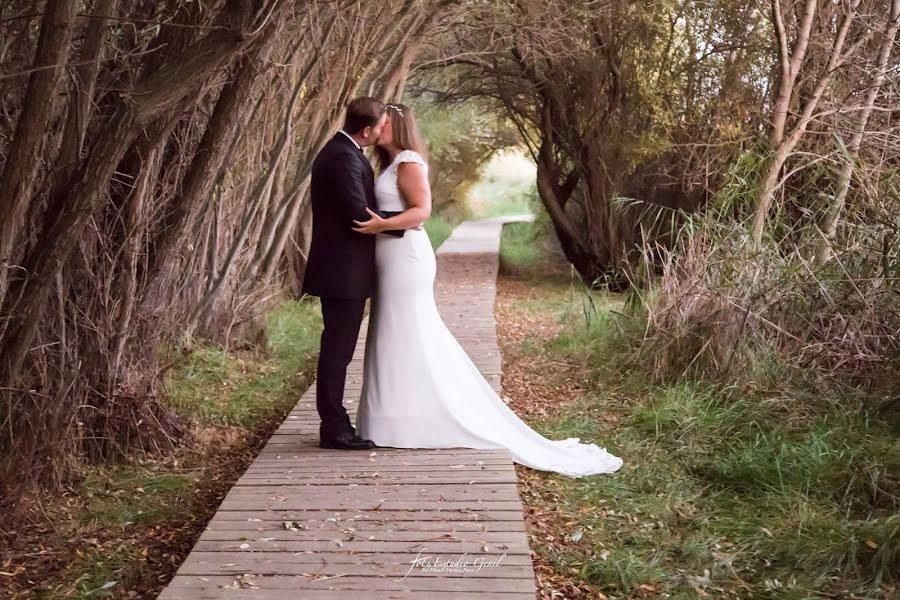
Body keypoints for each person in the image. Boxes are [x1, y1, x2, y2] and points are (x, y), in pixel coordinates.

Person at [350, 102, 623, 478]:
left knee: (403, 329)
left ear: (397, 125)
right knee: (393, 331)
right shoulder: (389, 162)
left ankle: (401, 419)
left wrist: (381, 225)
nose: (378, 126)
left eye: (384, 121)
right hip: (390, 256)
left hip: (405, 258)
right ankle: (391, 416)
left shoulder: (409, 160)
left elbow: (422, 211)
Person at [302, 97, 418, 450]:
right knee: (337, 351)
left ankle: (334, 423)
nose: (385, 129)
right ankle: (334, 429)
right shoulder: (342, 157)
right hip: (341, 271)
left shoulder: (344, 151)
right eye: (382, 124)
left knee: (338, 349)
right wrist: (405, 224)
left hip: (344, 269)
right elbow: (357, 211)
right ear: (367, 130)